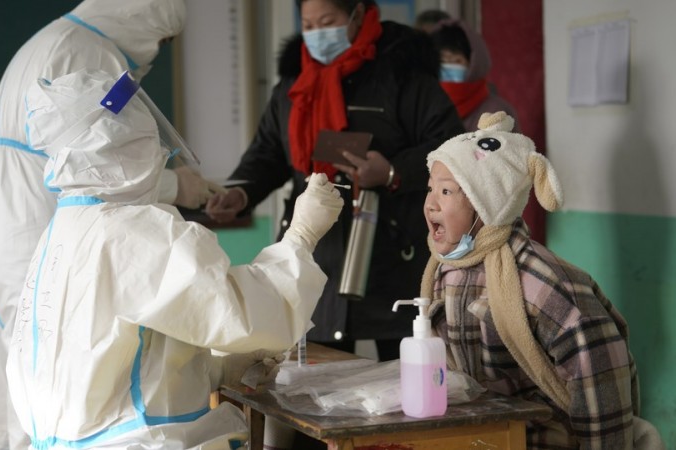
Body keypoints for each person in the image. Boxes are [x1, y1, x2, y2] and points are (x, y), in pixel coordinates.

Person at [6, 68, 343, 450]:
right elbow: (243, 313)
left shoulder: (64, 229)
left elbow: (122, 349)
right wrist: (300, 238)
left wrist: (216, 367)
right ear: (120, 142)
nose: (158, 152)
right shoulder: (130, 230)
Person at [0, 2, 223, 449]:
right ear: (141, 15)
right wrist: (176, 186)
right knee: (55, 377)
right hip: (40, 217)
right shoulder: (91, 54)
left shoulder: (55, 38)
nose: (157, 52)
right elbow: (106, 161)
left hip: (7, 222)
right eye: (162, 40)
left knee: (18, 371)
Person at [206, 0, 464, 363]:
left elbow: (451, 148)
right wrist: (241, 191)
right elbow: (268, 153)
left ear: (357, 14)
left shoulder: (404, 76)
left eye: (327, 22)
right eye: (308, 25)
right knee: (313, 387)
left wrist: (392, 171)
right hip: (316, 260)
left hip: (390, 254)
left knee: (406, 379)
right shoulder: (294, 86)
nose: (316, 34)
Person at [420, 111, 663, 449]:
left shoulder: (544, 285)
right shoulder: (444, 272)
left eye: (446, 192)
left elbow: (601, 385)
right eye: (430, 188)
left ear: (485, 203)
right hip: (486, 439)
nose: (430, 204)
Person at [430, 19, 521, 132]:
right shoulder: (424, 109)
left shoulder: (498, 111)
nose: (448, 67)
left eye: (457, 61)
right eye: (442, 62)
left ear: (474, 65)